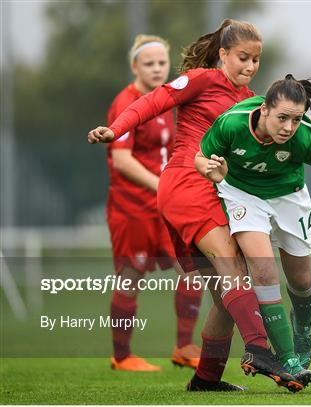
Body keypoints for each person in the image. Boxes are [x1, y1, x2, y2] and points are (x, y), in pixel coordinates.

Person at [89, 19, 308, 393]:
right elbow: (154, 100)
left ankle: (206, 380)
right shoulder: (202, 80)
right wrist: (118, 129)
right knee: (232, 267)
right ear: (223, 54)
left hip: (215, 193)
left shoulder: (252, 102)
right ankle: (259, 349)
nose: (250, 67)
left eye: (256, 60)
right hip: (186, 185)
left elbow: (285, 135)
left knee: (225, 299)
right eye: (243, 58)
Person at [195, 74, 311, 375]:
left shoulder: (304, 134)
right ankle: (287, 358)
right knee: (263, 270)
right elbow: (200, 157)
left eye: (296, 119)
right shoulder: (232, 123)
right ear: (264, 109)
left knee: (301, 281)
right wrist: (210, 168)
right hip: (242, 195)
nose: (289, 127)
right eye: (282, 118)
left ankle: (303, 329)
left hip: (289, 197)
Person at [105, 34, 202, 372]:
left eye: (162, 63)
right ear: (135, 66)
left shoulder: (166, 101)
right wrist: (163, 184)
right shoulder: (126, 102)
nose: (158, 68)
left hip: (166, 206)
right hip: (131, 207)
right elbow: (122, 160)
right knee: (130, 276)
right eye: (149, 63)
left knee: (190, 270)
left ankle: (184, 347)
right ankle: (121, 356)